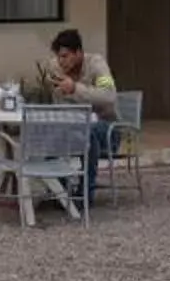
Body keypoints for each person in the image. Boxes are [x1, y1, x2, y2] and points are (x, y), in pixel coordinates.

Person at [41, 26, 121, 194]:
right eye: (58, 57)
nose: (61, 61)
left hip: (105, 127)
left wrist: (75, 89)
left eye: (65, 56)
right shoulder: (56, 68)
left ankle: (85, 194)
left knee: (88, 132)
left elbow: (109, 95)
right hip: (70, 125)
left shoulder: (97, 65)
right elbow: (58, 103)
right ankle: (58, 192)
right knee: (49, 134)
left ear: (78, 53)